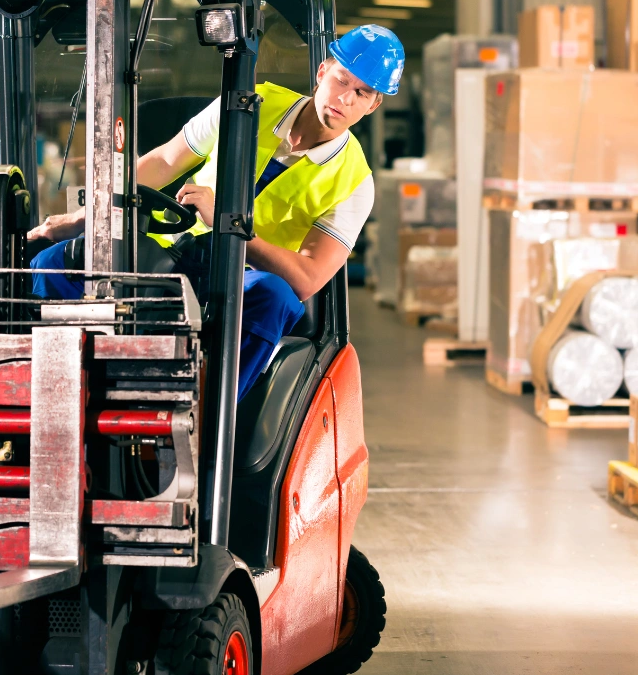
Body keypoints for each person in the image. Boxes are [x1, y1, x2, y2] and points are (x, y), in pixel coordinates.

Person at [29, 24, 405, 400]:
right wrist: (88, 218)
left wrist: (230, 223)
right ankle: (63, 398)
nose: (347, 99)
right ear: (323, 72)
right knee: (53, 264)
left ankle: (205, 420)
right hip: (165, 250)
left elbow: (307, 278)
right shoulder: (248, 102)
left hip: (237, 277)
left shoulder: (355, 182)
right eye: (342, 81)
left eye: (363, 92)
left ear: (374, 104)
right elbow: (164, 160)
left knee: (275, 298)